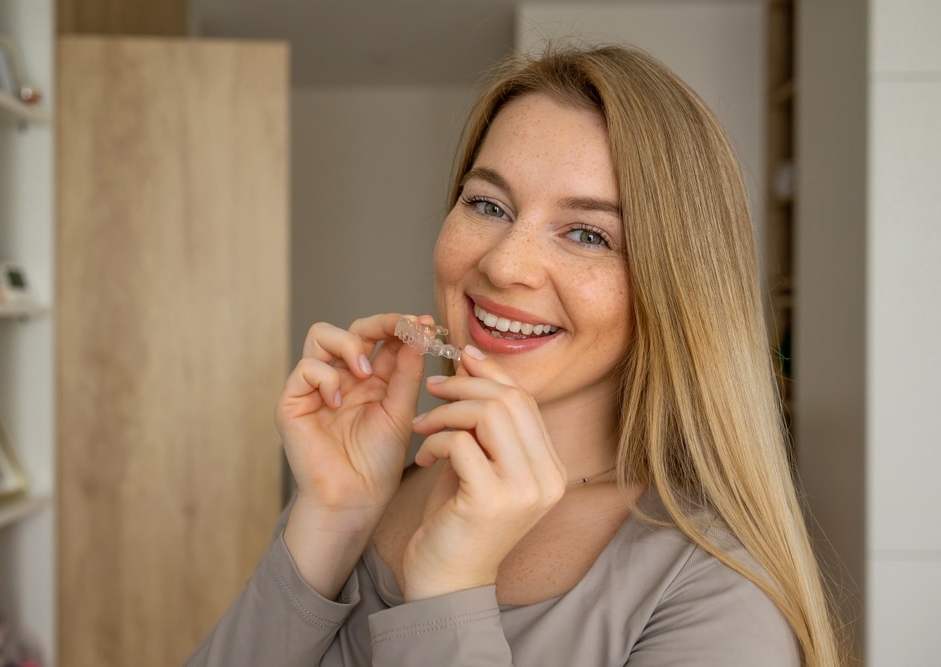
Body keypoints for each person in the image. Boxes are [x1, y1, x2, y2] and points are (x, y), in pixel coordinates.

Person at [184, 44, 842, 666]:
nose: (504, 263)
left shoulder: (720, 600)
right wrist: (332, 515)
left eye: (587, 233)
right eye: (488, 204)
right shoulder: (358, 498)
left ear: (676, 288)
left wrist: (449, 594)